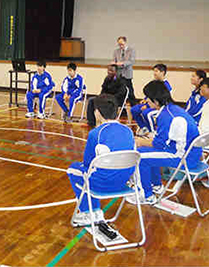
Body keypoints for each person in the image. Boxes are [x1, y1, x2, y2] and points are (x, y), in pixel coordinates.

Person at [67, 94, 135, 226]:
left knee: (73, 169)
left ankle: (90, 212)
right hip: (124, 181)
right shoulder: (128, 131)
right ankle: (94, 210)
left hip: (104, 184)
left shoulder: (96, 133)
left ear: (97, 113)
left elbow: (88, 163)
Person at [133, 80, 201, 204]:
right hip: (191, 153)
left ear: (156, 101)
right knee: (146, 151)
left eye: (148, 98)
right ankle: (156, 185)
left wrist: (140, 141)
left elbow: (159, 144)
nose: (146, 100)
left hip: (183, 157)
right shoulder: (173, 109)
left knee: (139, 156)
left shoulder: (166, 115)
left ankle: (146, 195)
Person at [131, 64, 172, 136]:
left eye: (156, 71)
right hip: (151, 103)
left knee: (146, 113)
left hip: (159, 106)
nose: (154, 73)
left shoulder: (166, 85)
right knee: (134, 109)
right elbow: (151, 94)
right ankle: (144, 127)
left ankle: (152, 131)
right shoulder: (155, 82)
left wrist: (147, 106)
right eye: (154, 71)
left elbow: (160, 100)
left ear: (162, 72)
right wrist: (145, 99)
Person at [113, 36, 136, 102]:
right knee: (120, 91)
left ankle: (133, 104)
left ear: (125, 42)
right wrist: (114, 63)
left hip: (127, 73)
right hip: (119, 73)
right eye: (119, 44)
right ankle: (120, 105)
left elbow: (131, 61)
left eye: (122, 44)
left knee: (130, 91)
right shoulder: (116, 51)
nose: (121, 46)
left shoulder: (131, 50)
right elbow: (114, 60)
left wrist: (122, 63)